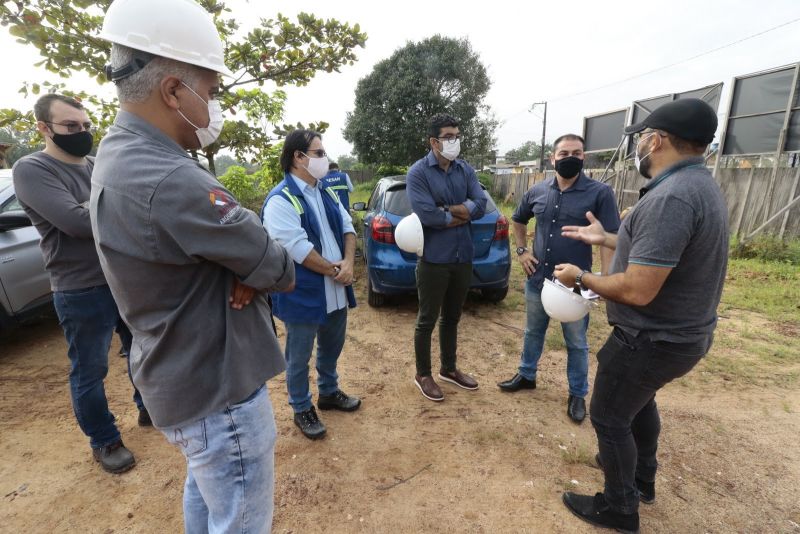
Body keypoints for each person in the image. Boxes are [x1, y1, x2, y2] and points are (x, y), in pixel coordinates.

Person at [91, 0, 295, 531]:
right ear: (173, 91)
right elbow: (276, 264)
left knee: (207, 499)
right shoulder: (171, 178)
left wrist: (236, 262)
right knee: (240, 519)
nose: (212, 105)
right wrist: (243, 263)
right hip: (217, 389)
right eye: (208, 91)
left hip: (181, 376)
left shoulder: (118, 155)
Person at [555, 98, 728, 532]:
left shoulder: (672, 197)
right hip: (675, 337)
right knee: (638, 403)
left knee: (610, 417)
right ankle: (641, 479)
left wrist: (582, 277)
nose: (642, 146)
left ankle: (620, 506)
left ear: (660, 139)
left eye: (645, 137)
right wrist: (610, 237)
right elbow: (659, 255)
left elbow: (637, 288)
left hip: (651, 338)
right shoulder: (698, 186)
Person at [12, 93, 148, 475]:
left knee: (141, 349)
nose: (81, 132)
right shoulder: (32, 169)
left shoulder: (94, 164)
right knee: (89, 370)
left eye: (86, 126)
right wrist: (121, 207)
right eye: (71, 126)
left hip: (121, 278)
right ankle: (104, 439)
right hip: (79, 288)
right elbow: (75, 222)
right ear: (44, 127)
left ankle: (147, 408)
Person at [497, 134, 620, 423]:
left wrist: (604, 278)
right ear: (552, 158)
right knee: (533, 332)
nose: (570, 158)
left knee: (576, 341)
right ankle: (527, 375)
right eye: (563, 153)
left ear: (584, 157)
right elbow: (517, 219)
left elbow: (609, 239)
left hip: (576, 283)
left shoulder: (599, 193)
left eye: (576, 153)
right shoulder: (537, 190)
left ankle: (577, 393)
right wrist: (522, 251)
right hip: (538, 276)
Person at [262, 129, 360, 440]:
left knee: (332, 346)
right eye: (318, 153)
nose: (324, 159)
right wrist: (337, 270)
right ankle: (301, 406)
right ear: (298, 158)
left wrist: (348, 262)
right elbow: (297, 248)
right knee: (299, 356)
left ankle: (329, 392)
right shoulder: (281, 199)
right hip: (303, 293)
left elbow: (348, 228)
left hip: (335, 288)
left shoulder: (325, 191)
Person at [406, 113, 487, 402]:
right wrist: (460, 213)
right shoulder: (418, 173)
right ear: (434, 141)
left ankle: (448, 369)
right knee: (427, 319)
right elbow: (427, 216)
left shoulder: (465, 170)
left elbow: (481, 204)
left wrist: (448, 210)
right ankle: (423, 374)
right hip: (433, 259)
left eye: (457, 135)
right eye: (449, 136)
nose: (455, 141)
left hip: (463, 256)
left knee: (452, 317)